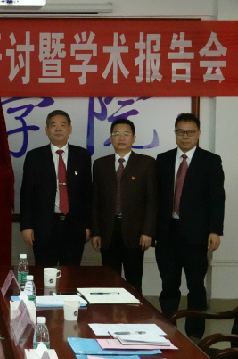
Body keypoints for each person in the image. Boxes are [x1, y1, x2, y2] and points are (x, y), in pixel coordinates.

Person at [155, 113, 225, 342]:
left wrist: (215, 231)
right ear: (175, 132)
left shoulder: (210, 161)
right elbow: (155, 198)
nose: (185, 136)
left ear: (198, 133)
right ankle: (169, 331)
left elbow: (217, 198)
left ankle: (195, 335)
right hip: (167, 233)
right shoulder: (163, 159)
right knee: (168, 285)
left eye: (190, 132)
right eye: (180, 131)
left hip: (197, 235)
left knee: (196, 286)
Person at [91, 119, 157, 294]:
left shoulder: (146, 163)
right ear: (110, 138)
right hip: (108, 231)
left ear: (133, 138)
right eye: (116, 134)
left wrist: (148, 231)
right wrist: (96, 232)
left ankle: (135, 311)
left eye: (126, 134)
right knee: (108, 281)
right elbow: (95, 201)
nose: (121, 138)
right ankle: (109, 311)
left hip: (135, 233)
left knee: (134, 281)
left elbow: (152, 200)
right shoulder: (100, 164)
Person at [20, 110, 92, 266]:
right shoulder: (34, 157)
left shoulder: (82, 156)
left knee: (71, 274)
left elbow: (87, 194)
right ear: (47, 130)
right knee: (45, 273)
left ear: (70, 129)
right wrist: (26, 226)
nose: (58, 129)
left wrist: (88, 225)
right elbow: (26, 194)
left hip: (75, 226)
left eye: (62, 125)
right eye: (53, 125)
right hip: (44, 226)